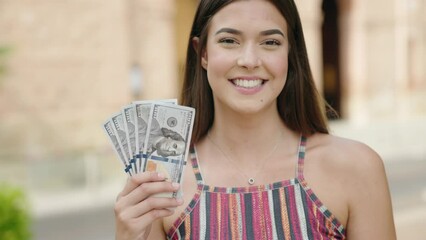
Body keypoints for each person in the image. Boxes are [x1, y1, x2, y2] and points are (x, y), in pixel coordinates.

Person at [114, 0, 397, 239]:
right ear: (203, 53)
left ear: (290, 53)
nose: (249, 60)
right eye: (229, 41)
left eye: (270, 42)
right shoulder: (162, 182)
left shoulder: (357, 168)